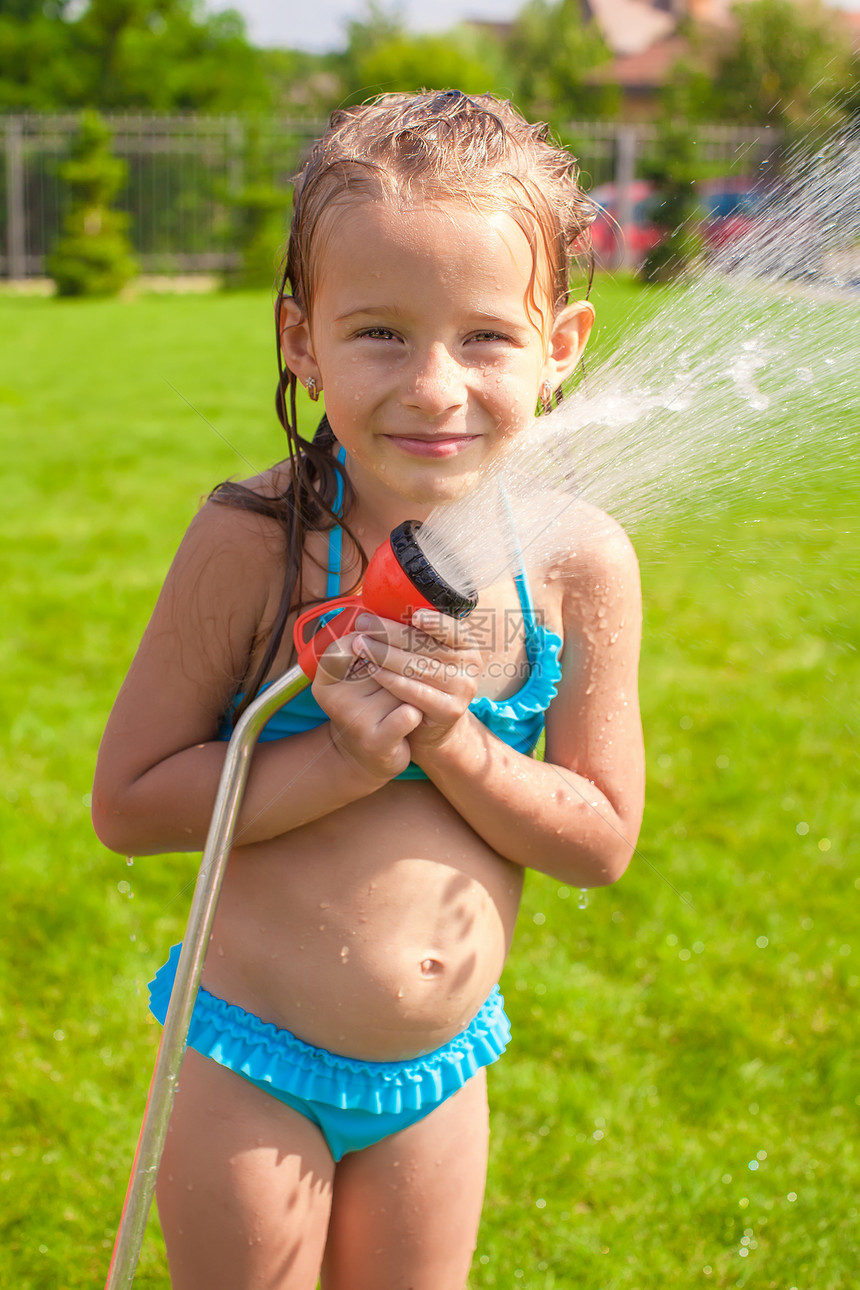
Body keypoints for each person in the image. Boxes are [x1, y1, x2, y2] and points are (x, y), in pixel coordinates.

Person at [93, 90, 645, 1290]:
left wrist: (454, 744)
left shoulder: (575, 561)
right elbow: (130, 806)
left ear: (560, 345)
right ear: (302, 339)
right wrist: (340, 760)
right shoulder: (257, 541)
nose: (435, 388)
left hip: (437, 1074)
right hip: (252, 1062)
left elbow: (600, 842)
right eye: (381, 333)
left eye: (486, 337)